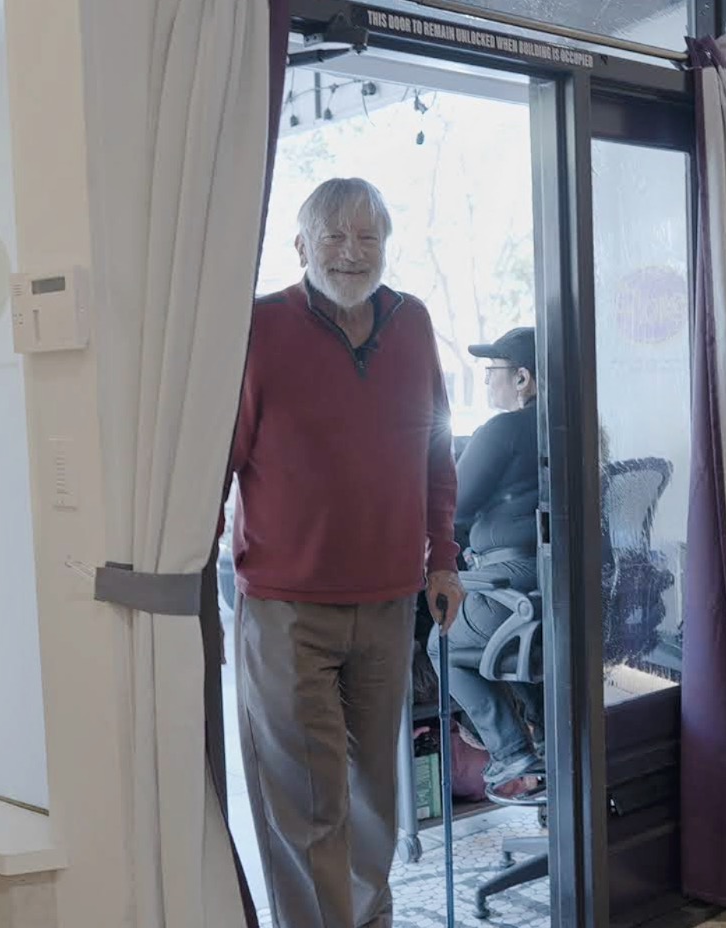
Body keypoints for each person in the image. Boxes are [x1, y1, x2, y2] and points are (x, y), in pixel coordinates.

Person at [226, 177, 465, 928]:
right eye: (333, 236)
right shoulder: (261, 326)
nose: (352, 252)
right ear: (302, 246)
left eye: (368, 237)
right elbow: (222, 458)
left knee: (373, 795)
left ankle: (370, 921)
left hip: (390, 601)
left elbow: (435, 450)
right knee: (304, 798)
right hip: (285, 606)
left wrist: (443, 557)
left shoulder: (413, 321)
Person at [429, 326, 544, 800]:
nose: (487, 383)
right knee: (531, 656)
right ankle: (547, 737)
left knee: (441, 646)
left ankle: (512, 750)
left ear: (522, 379)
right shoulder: (579, 427)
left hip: (511, 587)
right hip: (556, 589)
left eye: (492, 372)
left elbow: (453, 506)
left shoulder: (504, 430)